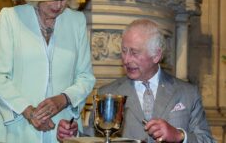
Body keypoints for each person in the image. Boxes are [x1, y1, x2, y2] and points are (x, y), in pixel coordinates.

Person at [57, 19, 215, 143]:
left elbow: (207, 140)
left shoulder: (187, 93)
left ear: (156, 55)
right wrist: (74, 134)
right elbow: (95, 138)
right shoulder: (107, 94)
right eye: (124, 51)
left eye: (134, 52)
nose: (126, 60)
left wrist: (180, 136)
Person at [0, 0, 95, 142]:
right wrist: (29, 113)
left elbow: (86, 77)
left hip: (62, 126)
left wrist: (63, 99)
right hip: (18, 124)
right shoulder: (10, 17)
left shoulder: (76, 21)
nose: (59, 5)